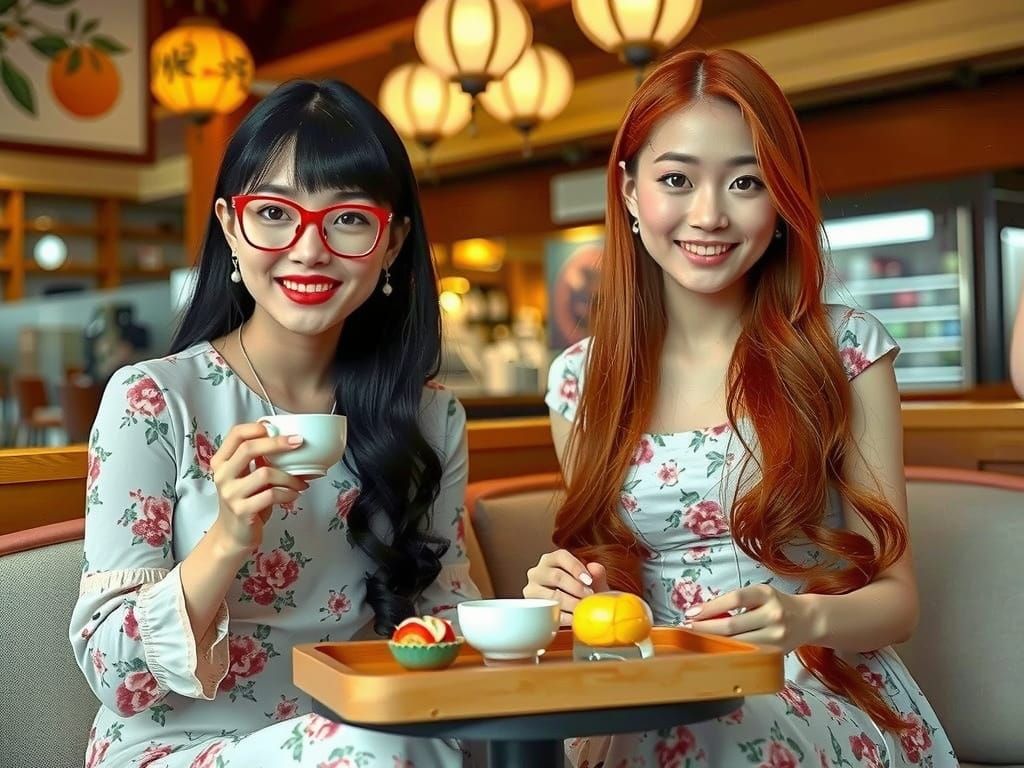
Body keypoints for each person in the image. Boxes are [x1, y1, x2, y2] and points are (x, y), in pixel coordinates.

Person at [529, 49, 956, 767]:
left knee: (694, 729)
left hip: (814, 687)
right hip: (648, 692)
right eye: (676, 179)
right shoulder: (581, 380)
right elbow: (611, 580)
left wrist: (801, 617)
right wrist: (566, 594)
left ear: (782, 197)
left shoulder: (843, 350)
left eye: (746, 182)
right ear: (631, 192)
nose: (709, 214)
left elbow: (898, 601)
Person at [70, 80, 478, 768]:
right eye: (274, 213)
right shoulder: (151, 401)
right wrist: (228, 537)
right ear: (232, 226)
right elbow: (117, 675)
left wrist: (530, 625)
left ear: (392, 242)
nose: (308, 248)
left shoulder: (429, 417)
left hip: (369, 736)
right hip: (183, 746)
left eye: (347, 219)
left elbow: (443, 623)